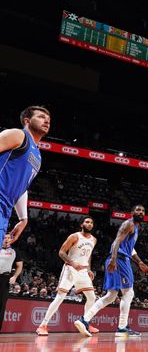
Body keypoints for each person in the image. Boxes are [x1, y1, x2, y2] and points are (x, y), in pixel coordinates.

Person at [74, 204, 148, 337]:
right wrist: (114, 259)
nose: (141, 212)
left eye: (143, 211)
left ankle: (84, 320)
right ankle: (122, 328)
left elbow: (130, 249)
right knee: (128, 293)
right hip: (119, 260)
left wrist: (140, 262)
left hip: (118, 259)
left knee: (111, 296)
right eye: (138, 210)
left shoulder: (136, 227)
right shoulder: (129, 224)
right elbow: (116, 242)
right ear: (132, 212)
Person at [37, 216, 99, 336]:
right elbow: (61, 252)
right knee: (60, 297)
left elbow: (89, 255)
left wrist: (89, 269)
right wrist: (73, 263)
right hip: (70, 269)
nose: (90, 224)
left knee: (92, 298)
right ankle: (43, 325)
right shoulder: (74, 236)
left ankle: (85, 322)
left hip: (83, 271)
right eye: (87, 222)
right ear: (82, 224)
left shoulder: (94, 240)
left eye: (91, 222)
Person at [0, 106, 50, 244]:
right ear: (27, 121)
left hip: (5, 211)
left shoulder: (38, 156)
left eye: (48, 120)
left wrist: (23, 218)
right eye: (41, 117)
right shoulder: (18, 135)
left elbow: (22, 187)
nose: (46, 121)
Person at [0, 234, 23, 331]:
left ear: (11, 240)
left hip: (4, 278)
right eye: (4, 237)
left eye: (8, 238)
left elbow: (20, 266)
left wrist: (14, 276)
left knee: (1, 304)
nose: (6, 239)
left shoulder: (15, 251)